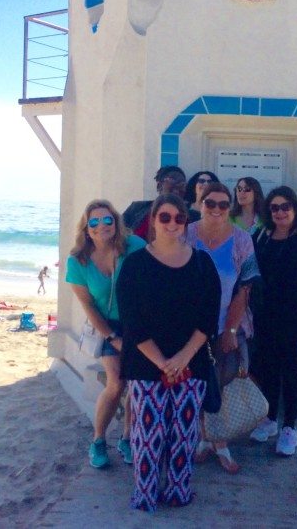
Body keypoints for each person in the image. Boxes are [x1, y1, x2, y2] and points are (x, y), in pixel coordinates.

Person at [117, 194, 221, 513]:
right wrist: (163, 362)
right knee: (148, 436)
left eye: (179, 218)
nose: (173, 223)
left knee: (183, 434)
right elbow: (131, 322)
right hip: (147, 364)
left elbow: (208, 318)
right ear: (153, 220)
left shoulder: (203, 264)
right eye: (165, 217)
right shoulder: (135, 265)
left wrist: (182, 359)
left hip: (190, 364)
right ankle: (146, 494)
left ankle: (178, 491)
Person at [66, 199, 146, 469]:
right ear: (87, 229)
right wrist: (112, 337)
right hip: (105, 325)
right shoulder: (78, 260)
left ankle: (127, 439)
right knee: (116, 384)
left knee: (138, 386)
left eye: (107, 219)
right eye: (95, 222)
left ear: (116, 221)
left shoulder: (134, 246)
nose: (102, 226)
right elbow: (87, 305)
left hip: (137, 325)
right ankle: (99, 440)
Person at [186, 182, 260, 473]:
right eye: (210, 203)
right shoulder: (186, 234)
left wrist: (229, 330)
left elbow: (245, 288)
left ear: (230, 208)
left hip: (227, 325)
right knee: (198, 383)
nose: (216, 209)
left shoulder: (242, 240)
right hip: (191, 328)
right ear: (200, 204)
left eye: (222, 204)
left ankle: (222, 443)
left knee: (225, 382)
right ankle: (204, 439)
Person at [250, 185, 297, 456]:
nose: (280, 212)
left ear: (294, 208)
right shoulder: (262, 235)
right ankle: (269, 420)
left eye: (285, 207)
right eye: (274, 207)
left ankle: (289, 426)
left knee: (292, 371)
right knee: (267, 367)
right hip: (265, 315)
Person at [123, 166, 187, 239]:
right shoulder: (136, 208)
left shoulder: (191, 215)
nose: (176, 189)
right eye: (171, 181)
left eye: (182, 184)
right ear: (159, 186)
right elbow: (118, 231)